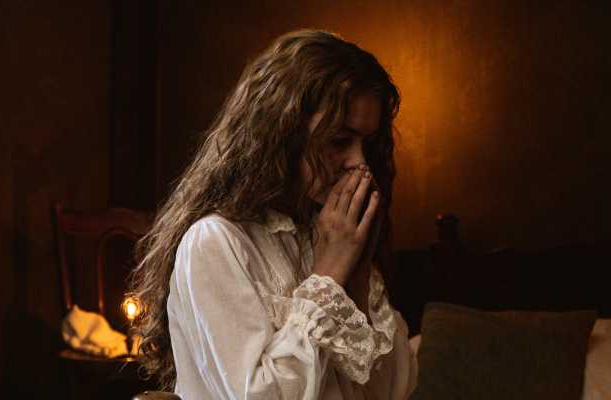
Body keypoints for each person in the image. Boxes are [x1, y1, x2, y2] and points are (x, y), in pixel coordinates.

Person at [131, 29, 418, 400]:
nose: (359, 162)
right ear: (284, 133)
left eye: (367, 143)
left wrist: (358, 279)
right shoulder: (216, 241)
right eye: (339, 141)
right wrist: (328, 278)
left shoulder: (331, 234)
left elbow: (392, 392)